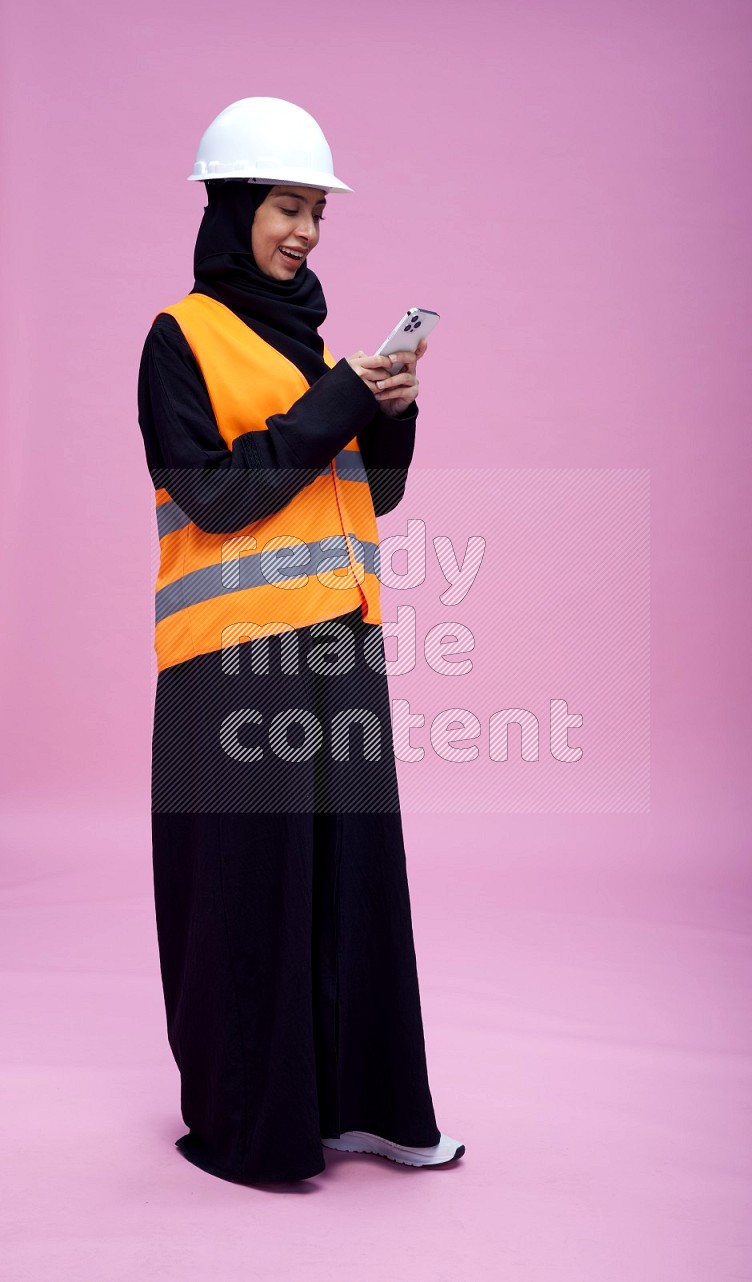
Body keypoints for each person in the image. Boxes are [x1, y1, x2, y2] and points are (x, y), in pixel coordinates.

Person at [136, 97, 465, 1184]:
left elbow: (371, 493)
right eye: (286, 207)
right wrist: (332, 404)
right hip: (228, 662)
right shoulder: (177, 337)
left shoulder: (315, 342)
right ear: (232, 209)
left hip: (335, 645)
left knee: (350, 882)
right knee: (247, 894)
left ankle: (361, 1108)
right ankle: (253, 1126)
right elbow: (210, 491)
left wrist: (391, 410)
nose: (305, 233)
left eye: (316, 213)